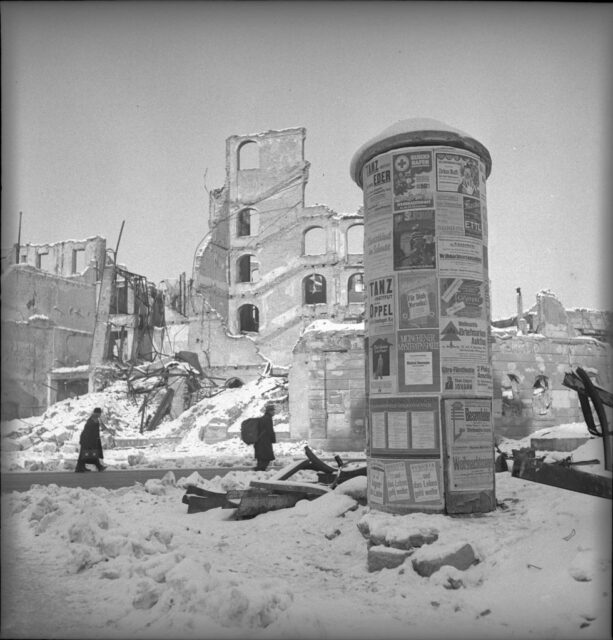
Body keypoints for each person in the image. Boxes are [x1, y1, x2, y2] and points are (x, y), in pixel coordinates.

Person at [75, 407, 107, 472]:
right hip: (87, 440)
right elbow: (88, 432)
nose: (100, 414)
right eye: (99, 413)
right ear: (97, 413)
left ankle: (81, 467)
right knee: (87, 454)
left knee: (89, 453)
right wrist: (87, 441)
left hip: (90, 440)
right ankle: (98, 467)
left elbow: (98, 429)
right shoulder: (92, 420)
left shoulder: (95, 419)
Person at [254, 402, 276, 471]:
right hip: (264, 442)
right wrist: (273, 439)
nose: (274, 412)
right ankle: (259, 471)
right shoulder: (267, 419)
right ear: (269, 411)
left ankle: (258, 471)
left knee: (261, 459)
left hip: (259, 442)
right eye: (273, 411)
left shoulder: (263, 418)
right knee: (266, 458)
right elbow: (270, 430)